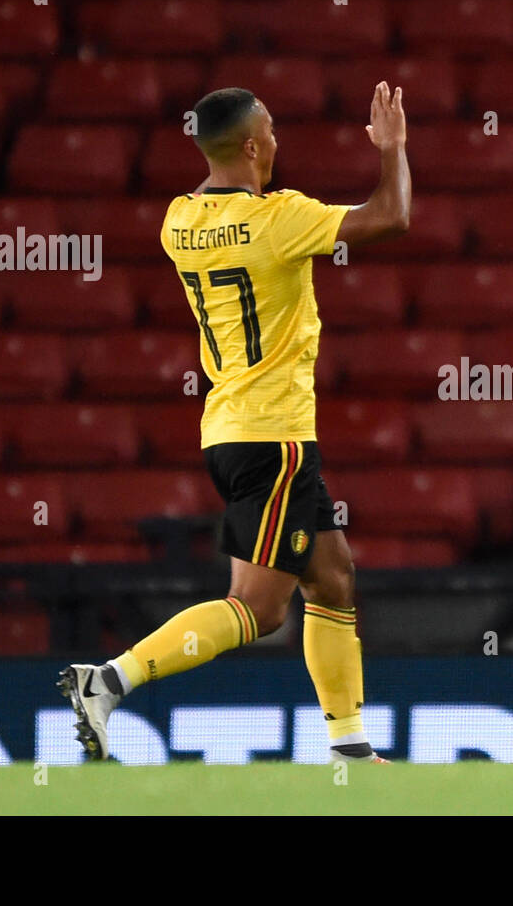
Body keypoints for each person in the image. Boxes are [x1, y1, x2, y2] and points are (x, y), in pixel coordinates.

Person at [59, 82, 410, 764]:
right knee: (258, 607)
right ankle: (109, 680)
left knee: (332, 572)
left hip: (228, 427)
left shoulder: (177, 222)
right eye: (272, 130)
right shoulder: (279, 218)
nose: (279, 140)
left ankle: (349, 744)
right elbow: (392, 216)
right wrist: (392, 150)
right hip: (272, 437)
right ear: (252, 146)